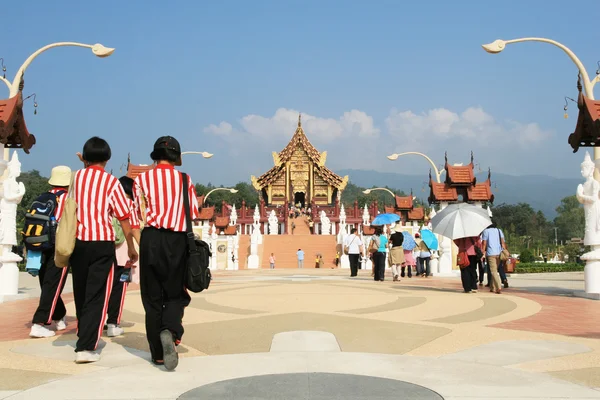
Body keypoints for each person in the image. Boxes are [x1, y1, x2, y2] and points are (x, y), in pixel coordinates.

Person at [133, 136, 199, 371]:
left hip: (151, 238)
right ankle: (170, 330)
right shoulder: (184, 179)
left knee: (152, 298)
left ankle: (158, 355)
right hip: (177, 240)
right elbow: (194, 210)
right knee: (174, 293)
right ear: (177, 156)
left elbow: (135, 214)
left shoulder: (142, 179)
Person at [71, 137, 138, 364]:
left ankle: (83, 333)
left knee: (81, 291)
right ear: (107, 158)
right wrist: (130, 246)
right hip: (102, 243)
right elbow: (124, 217)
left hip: (78, 243)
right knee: (97, 294)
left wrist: (84, 165)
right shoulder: (111, 183)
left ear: (86, 157)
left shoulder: (76, 178)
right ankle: (87, 346)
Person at [29, 166, 72, 338]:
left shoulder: (42, 197)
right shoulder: (67, 199)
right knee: (53, 285)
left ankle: (59, 316)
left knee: (48, 284)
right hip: (58, 246)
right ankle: (39, 323)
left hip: (39, 245)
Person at [105, 176, 142, 338]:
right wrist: (142, 248)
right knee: (119, 290)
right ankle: (113, 323)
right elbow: (134, 228)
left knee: (103, 288)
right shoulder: (130, 205)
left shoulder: (107, 201)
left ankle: (100, 319)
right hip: (124, 255)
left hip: (105, 251)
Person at [481, 222, 507, 294]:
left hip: (490, 253)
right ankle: (492, 287)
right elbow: (503, 242)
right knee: (495, 270)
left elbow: (484, 243)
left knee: (493, 271)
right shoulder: (499, 231)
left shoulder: (486, 231)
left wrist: (482, 252)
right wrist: (505, 251)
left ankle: (498, 287)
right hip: (499, 253)